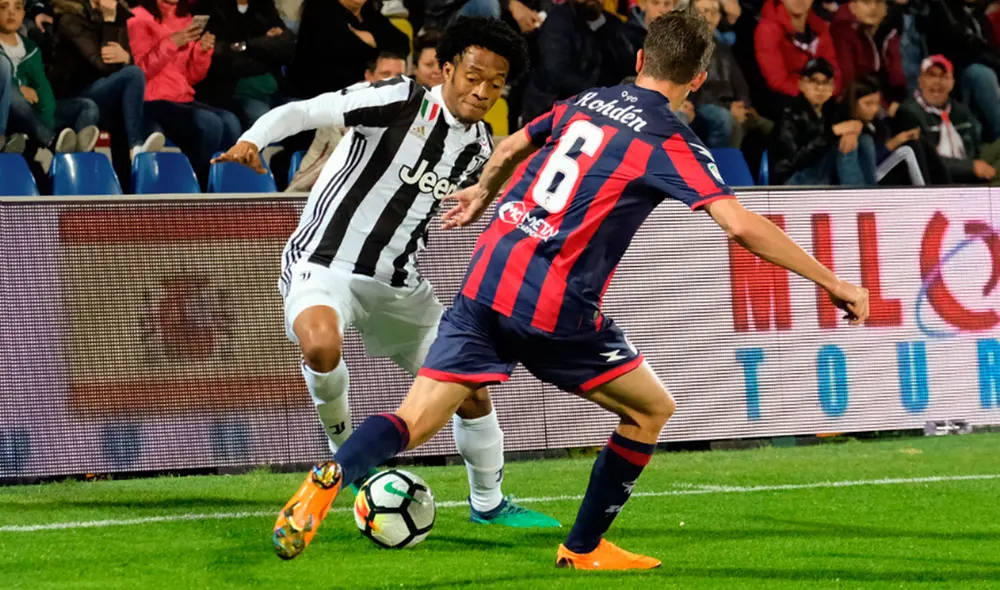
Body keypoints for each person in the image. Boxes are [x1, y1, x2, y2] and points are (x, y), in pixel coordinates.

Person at [270, 12, 870, 568]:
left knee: (415, 417)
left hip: (488, 275)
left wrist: (482, 193)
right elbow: (739, 225)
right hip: (552, 302)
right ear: (698, 79)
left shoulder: (589, 102)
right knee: (651, 409)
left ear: (640, 59)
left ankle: (333, 475)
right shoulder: (669, 139)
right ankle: (584, 547)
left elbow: (512, 144)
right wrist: (832, 280)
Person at [214, 17, 559, 544]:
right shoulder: (399, 98)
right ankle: (345, 459)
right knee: (321, 346)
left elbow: (492, 194)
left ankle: (489, 504)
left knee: (470, 389)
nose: (482, 91)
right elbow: (307, 111)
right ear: (447, 69)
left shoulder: (479, 146)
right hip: (324, 263)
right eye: (473, 77)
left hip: (399, 284)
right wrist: (253, 138)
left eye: (496, 83)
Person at [129, 0, 242, 187]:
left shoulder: (184, 18)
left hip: (181, 96)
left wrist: (201, 52)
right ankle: (195, 186)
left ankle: (222, 186)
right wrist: (171, 43)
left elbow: (190, 76)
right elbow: (138, 72)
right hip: (150, 98)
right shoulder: (137, 18)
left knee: (231, 122)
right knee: (210, 124)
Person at [49, 0, 166, 164]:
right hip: (76, 93)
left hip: (105, 90)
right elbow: (103, 64)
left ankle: (132, 163)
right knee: (133, 75)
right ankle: (136, 145)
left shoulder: (119, 16)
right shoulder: (70, 19)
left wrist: (127, 58)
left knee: (143, 118)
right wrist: (109, 21)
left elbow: (124, 62)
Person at [285, 52, 406, 192]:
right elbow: (353, 160)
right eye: (385, 74)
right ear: (369, 76)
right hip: (310, 189)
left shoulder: (408, 110)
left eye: (399, 76)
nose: (393, 81)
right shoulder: (345, 108)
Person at [1, 0, 99, 154]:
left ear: (23, 14)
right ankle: (51, 141)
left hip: (34, 112)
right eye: (3, 6)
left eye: (17, 7)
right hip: (8, 111)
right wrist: (18, 88)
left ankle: (76, 157)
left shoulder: (31, 48)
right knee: (14, 96)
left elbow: (42, 87)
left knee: (87, 106)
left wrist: (47, 119)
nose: (11, 12)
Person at [520, 0, 636, 122]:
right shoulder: (558, 21)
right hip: (551, 109)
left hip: (599, 110)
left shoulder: (613, 24)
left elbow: (627, 68)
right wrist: (599, 94)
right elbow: (556, 72)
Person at [895, 54, 1000, 184]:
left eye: (944, 77)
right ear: (920, 81)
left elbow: (975, 150)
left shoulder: (960, 110)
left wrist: (975, 166)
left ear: (952, 83)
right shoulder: (909, 112)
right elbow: (926, 161)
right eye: (932, 75)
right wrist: (969, 167)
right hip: (940, 178)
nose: (938, 82)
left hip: (968, 170)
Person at [770, 58, 874, 185]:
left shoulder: (831, 110)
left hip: (822, 175)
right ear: (801, 84)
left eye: (826, 82)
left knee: (864, 140)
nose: (820, 88)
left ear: (832, 87)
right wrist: (832, 133)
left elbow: (860, 128)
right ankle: (857, 195)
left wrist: (854, 130)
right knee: (842, 146)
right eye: (813, 81)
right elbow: (795, 161)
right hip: (792, 179)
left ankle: (870, 191)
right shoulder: (789, 113)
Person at [192, 0, 295, 128]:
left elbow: (288, 45)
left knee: (302, 115)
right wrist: (265, 48)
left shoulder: (264, 6)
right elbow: (220, 57)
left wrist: (245, 46)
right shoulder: (209, 8)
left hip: (274, 87)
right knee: (262, 119)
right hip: (232, 89)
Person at [690, 0, 772, 149]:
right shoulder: (687, 47)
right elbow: (695, 90)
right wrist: (728, 107)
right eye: (704, 11)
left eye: (714, 12)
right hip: (704, 105)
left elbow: (740, 83)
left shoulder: (723, 48)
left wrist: (743, 104)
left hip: (729, 105)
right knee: (726, 120)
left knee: (769, 126)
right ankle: (717, 162)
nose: (709, 17)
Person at [286, 0, 409, 99]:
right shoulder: (320, 8)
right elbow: (348, 49)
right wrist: (377, 45)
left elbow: (403, 43)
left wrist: (368, 38)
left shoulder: (367, 12)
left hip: (359, 95)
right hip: (317, 96)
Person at [842, 75, 950, 185]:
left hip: (886, 168)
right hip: (872, 176)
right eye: (868, 103)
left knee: (922, 143)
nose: (874, 109)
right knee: (909, 149)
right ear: (853, 102)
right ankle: (924, 190)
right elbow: (870, 159)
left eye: (877, 103)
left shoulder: (876, 122)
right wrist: (897, 141)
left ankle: (945, 186)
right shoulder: (851, 127)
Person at [920, 0, 1000, 141]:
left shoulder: (977, 15)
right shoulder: (942, 12)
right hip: (956, 83)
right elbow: (964, 48)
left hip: (983, 80)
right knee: (980, 74)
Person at [755, 0, 841, 112]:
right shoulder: (768, 29)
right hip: (784, 103)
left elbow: (834, 71)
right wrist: (811, 91)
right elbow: (777, 81)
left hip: (821, 99)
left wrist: (827, 90)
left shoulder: (820, 27)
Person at [829, 0, 906, 107]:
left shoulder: (890, 25)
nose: (873, 7)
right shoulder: (842, 30)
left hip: (880, 97)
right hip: (854, 103)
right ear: (853, 5)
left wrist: (897, 100)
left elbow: (896, 70)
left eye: (879, 2)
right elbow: (849, 85)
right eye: (866, 2)